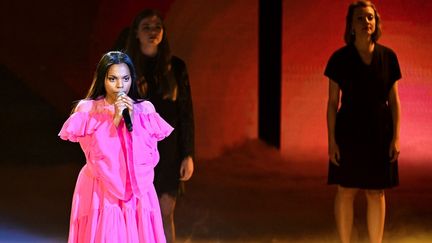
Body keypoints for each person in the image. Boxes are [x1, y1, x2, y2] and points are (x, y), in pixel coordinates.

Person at [59, 51, 173, 242]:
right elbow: (95, 157)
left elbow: (150, 158)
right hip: (100, 189)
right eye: (113, 79)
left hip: (136, 190)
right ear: (102, 78)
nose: (120, 85)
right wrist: (114, 122)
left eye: (125, 78)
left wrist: (133, 120)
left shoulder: (145, 109)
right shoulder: (88, 110)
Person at [325, 1, 401, 243]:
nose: (366, 22)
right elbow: (331, 103)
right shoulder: (339, 59)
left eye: (370, 17)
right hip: (349, 131)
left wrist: (396, 137)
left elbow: (395, 101)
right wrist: (332, 141)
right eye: (360, 18)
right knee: (346, 191)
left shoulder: (388, 57)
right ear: (351, 25)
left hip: (379, 131)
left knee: (375, 192)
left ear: (376, 22)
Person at [125, 9, 195, 243]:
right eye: (147, 27)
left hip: (169, 151)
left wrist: (188, 154)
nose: (153, 32)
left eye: (157, 28)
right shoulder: (125, 68)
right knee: (134, 215)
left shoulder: (176, 67)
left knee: (165, 213)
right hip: (135, 152)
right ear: (136, 32)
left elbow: (185, 113)